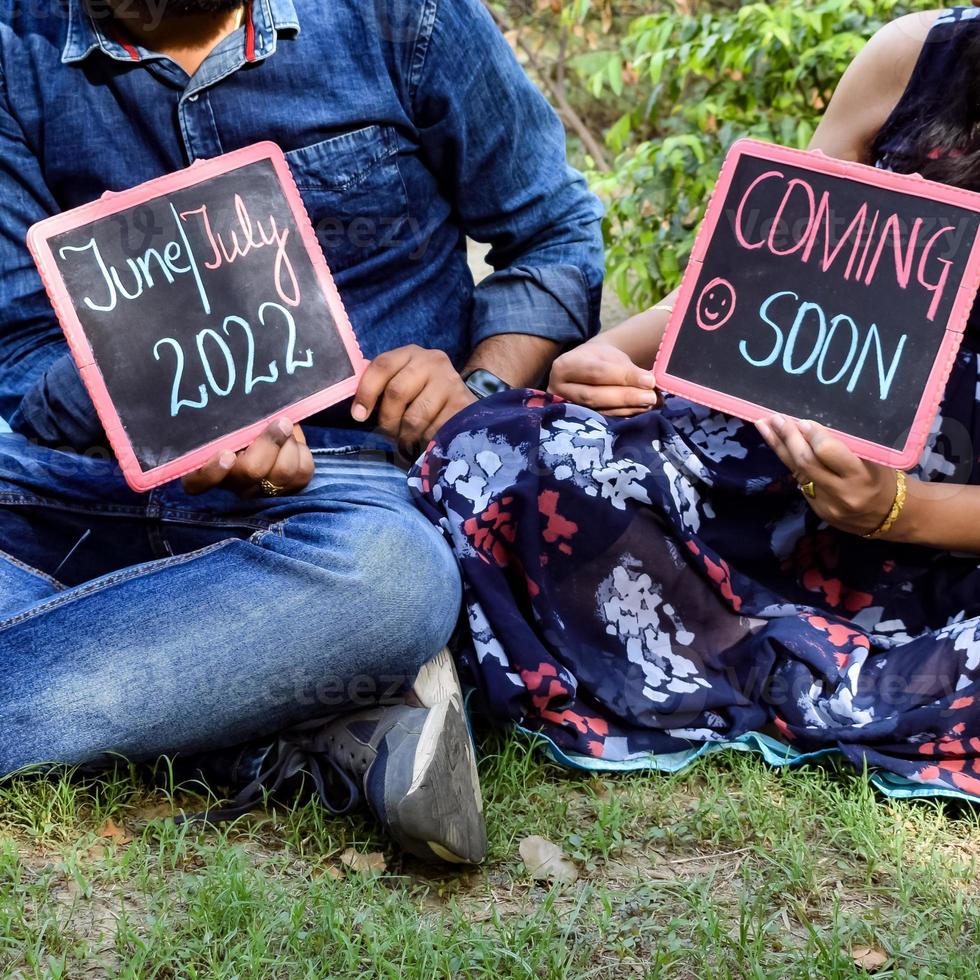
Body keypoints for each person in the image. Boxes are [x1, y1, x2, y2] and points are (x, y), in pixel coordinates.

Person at [0, 0, 604, 863]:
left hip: (341, 494)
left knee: (395, 582)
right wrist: (163, 408)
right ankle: (319, 725)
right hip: (86, 491)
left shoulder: (404, 16)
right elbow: (20, 350)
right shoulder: (12, 48)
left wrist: (474, 384)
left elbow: (554, 235)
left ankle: (266, 694)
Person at [412, 6, 980, 801]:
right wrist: (609, 353)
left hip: (949, 540)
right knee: (498, 451)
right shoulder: (912, 60)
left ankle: (749, 662)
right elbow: (769, 271)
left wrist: (903, 511)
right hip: (771, 475)